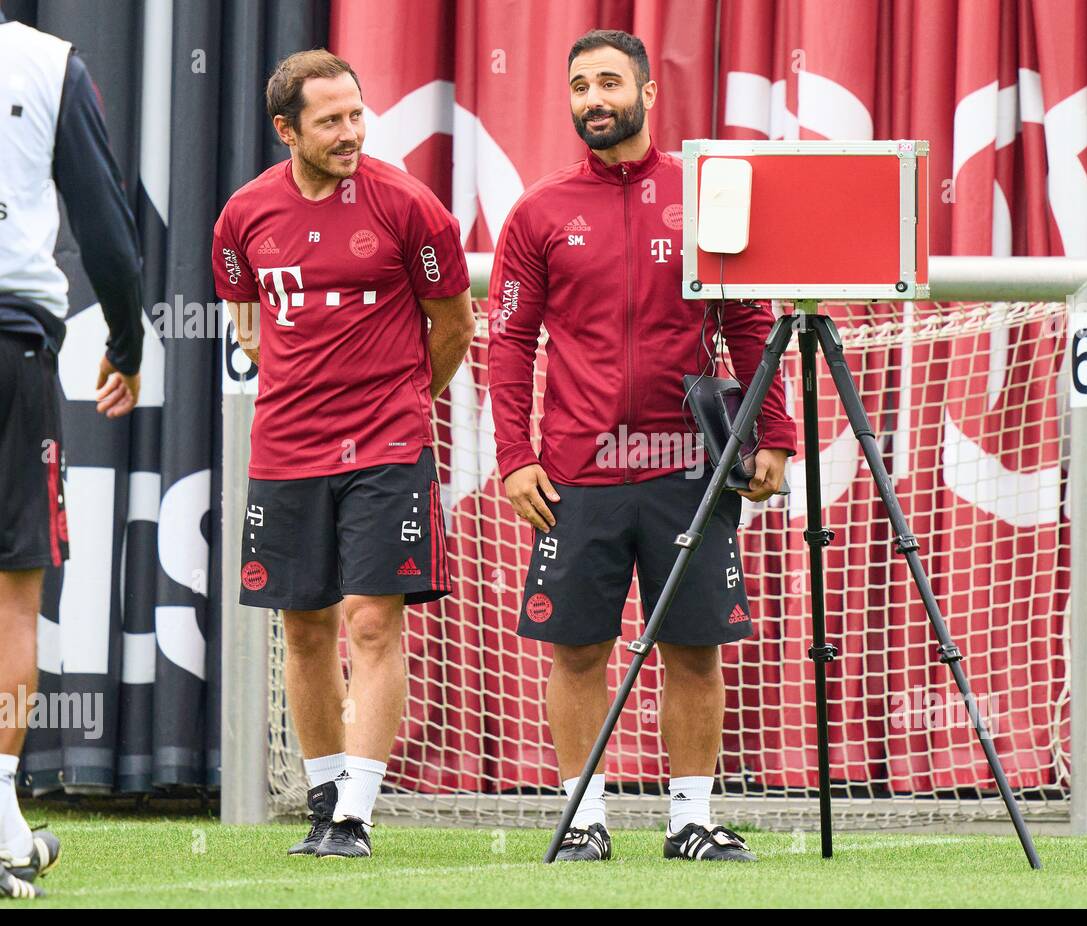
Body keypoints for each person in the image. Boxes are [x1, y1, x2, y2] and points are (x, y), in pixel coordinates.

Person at [488, 30, 797, 862]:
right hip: (577, 473)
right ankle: (582, 819)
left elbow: (750, 321)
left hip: (689, 470)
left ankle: (691, 821)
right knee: (579, 648)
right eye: (580, 84)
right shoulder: (538, 211)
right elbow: (509, 340)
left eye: (611, 83)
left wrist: (775, 431)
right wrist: (514, 455)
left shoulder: (703, 196)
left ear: (650, 93)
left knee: (693, 649)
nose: (594, 99)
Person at [211, 49, 475, 859]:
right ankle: (324, 797)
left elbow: (454, 325)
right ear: (287, 129)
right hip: (286, 449)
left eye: (357, 114)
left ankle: (356, 812)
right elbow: (243, 313)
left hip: (388, 447)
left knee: (371, 620)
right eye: (330, 120)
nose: (351, 131)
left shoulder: (409, 206)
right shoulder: (244, 215)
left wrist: (397, 403)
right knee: (304, 625)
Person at [0, 11, 146, 899]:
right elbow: (107, 229)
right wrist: (126, 343)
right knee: (13, 597)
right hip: (11, 349)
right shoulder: (46, 60)